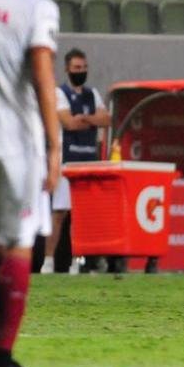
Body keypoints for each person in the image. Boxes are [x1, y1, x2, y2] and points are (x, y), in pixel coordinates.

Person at [0, 0, 61, 367]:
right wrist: (55, 145)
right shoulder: (37, 6)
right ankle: (1, 358)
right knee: (17, 244)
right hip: (13, 141)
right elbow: (42, 75)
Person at [40, 48, 110, 274]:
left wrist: (85, 118)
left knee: (82, 216)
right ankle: (48, 261)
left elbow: (106, 119)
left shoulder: (92, 94)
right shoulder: (59, 93)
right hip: (68, 160)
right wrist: (91, 120)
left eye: (84, 67)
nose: (81, 71)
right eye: (77, 68)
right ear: (67, 69)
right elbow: (68, 122)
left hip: (89, 160)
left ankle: (76, 261)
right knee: (60, 213)